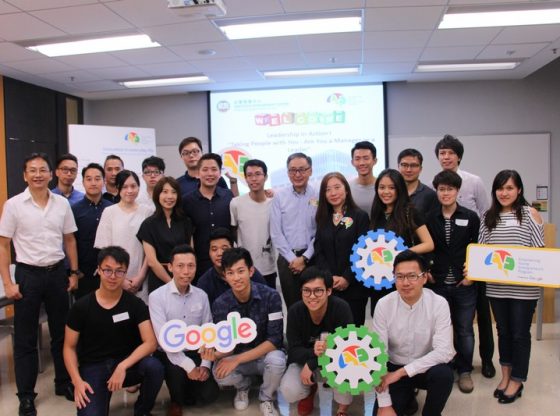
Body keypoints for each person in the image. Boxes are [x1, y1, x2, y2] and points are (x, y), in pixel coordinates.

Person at [0, 152, 79, 415]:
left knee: (61, 334)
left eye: (42, 170)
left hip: (57, 273)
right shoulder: (13, 205)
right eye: (32, 170)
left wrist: (74, 272)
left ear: (50, 174)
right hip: (28, 275)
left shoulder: (61, 204)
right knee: (25, 339)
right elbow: (3, 245)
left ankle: (63, 382)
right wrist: (8, 283)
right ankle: (26, 396)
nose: (37, 174)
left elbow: (69, 239)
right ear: (25, 175)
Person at [63, 246, 164, 416]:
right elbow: (69, 347)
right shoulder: (81, 307)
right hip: (94, 367)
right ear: (98, 270)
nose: (113, 276)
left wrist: (123, 366)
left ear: (125, 273)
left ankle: (142, 411)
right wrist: (77, 381)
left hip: (128, 364)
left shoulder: (135, 304)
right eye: (107, 270)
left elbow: (150, 343)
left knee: (154, 367)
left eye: (119, 271)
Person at [478, 170, 544, 404]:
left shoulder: (530, 213)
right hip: (497, 288)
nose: (504, 193)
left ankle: (518, 379)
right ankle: (505, 376)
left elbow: (538, 249)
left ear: (519, 190)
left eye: (509, 188)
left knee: (519, 334)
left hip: (523, 289)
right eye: (500, 188)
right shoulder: (488, 216)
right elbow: (482, 251)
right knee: (503, 332)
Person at [435, 134, 495, 378]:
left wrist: (477, 268)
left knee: (473, 321)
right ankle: (449, 365)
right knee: (447, 325)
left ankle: (482, 363)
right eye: (442, 153)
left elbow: (486, 218)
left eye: (450, 152)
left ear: (459, 156)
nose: (446, 157)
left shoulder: (474, 181)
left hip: (471, 266)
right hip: (443, 273)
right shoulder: (435, 186)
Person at [372, 250, 454, 416]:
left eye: (412, 276)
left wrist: (402, 372)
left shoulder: (439, 304)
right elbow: (378, 354)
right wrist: (384, 404)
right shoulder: (383, 305)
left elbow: (445, 351)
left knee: (444, 375)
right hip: (393, 367)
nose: (406, 282)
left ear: (424, 278)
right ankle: (407, 398)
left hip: (425, 367)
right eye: (400, 276)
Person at [209, 248, 286, 416]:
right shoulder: (220, 304)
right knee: (218, 372)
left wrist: (236, 359)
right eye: (230, 273)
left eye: (241, 271)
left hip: (265, 354)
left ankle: (266, 397)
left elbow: (275, 341)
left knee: (278, 361)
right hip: (240, 360)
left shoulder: (271, 296)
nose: (236, 278)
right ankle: (244, 386)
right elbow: (226, 345)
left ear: (251, 271)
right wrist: (214, 355)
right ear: (225, 276)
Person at [425, 170, 480, 394]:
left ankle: (465, 370)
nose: (445, 193)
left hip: (463, 285)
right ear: (436, 191)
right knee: (439, 330)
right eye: (441, 189)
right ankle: (444, 367)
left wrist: (470, 276)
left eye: (450, 189)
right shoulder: (429, 217)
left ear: (458, 191)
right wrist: (425, 270)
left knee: (465, 329)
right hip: (436, 284)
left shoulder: (471, 216)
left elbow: (477, 248)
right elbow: (422, 246)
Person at [149, 244, 219, 416]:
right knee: (176, 372)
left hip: (196, 350)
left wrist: (204, 365)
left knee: (210, 395)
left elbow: (208, 331)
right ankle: (176, 401)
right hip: (169, 352)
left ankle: (188, 392)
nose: (186, 271)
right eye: (180, 266)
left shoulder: (201, 295)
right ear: (170, 267)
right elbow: (163, 340)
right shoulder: (156, 297)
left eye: (191, 266)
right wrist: (190, 367)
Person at [279, 266, 354, 416]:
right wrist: (313, 354)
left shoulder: (341, 308)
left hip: (336, 361)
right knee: (289, 390)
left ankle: (342, 408)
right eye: (306, 290)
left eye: (318, 290)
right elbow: (293, 351)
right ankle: (309, 390)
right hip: (304, 360)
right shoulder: (295, 311)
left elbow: (347, 347)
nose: (312, 296)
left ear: (329, 291)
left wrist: (313, 363)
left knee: (349, 374)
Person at [369, 169, 434, 314]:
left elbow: (429, 243)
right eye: (382, 187)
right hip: (380, 279)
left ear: (400, 189)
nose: (386, 192)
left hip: (403, 279)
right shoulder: (376, 213)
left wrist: (402, 253)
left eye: (391, 188)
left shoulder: (410, 212)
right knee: (381, 321)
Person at [314, 172, 370, 325]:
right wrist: (329, 277)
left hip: (354, 287)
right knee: (331, 334)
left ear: (346, 190)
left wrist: (346, 277)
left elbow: (363, 252)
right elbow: (319, 251)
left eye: (337, 187)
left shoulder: (360, 216)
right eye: (328, 189)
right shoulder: (322, 218)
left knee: (353, 333)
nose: (333, 193)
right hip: (329, 287)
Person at [94, 170, 151, 303]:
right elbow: (104, 250)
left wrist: (141, 277)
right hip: (114, 277)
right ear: (118, 188)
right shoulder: (109, 212)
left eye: (133, 186)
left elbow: (150, 251)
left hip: (141, 277)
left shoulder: (147, 212)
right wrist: (121, 279)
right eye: (125, 187)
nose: (129, 190)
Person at [270, 153, 318, 309]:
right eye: (293, 170)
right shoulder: (280, 197)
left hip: (313, 258)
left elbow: (321, 232)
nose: (298, 174)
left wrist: (304, 258)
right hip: (286, 260)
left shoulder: (319, 195)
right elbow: (276, 232)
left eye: (302, 170)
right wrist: (293, 259)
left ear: (310, 171)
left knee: (315, 304)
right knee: (293, 306)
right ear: (288, 172)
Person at [137, 177, 193, 293]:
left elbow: (191, 252)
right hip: (159, 280)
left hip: (184, 276)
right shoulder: (148, 224)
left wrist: (183, 279)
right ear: (157, 195)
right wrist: (172, 284)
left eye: (173, 192)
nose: (169, 196)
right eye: (165, 192)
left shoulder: (186, 222)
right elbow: (151, 261)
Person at [183, 153, 234, 278]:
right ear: (198, 173)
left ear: (220, 172)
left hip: (227, 263)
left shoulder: (228, 196)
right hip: (200, 264)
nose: (210, 174)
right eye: (205, 170)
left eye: (214, 169)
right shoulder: (186, 201)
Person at [230, 159, 276, 288]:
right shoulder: (236, 203)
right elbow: (233, 231)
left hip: (269, 267)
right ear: (245, 178)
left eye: (258, 174)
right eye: (249, 175)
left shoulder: (274, 203)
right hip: (244, 268)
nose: (253, 179)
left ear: (265, 177)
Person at [72, 163, 113, 299]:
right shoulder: (74, 210)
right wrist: (75, 271)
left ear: (104, 181)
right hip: (84, 273)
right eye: (89, 179)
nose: (93, 183)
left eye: (97, 179)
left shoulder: (112, 208)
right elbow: (71, 241)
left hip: (109, 271)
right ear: (83, 182)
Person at [197, 228, 266, 305]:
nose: (219, 253)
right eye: (214, 249)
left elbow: (266, 298)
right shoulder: (204, 282)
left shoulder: (249, 272)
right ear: (209, 252)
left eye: (224, 248)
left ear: (232, 248)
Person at [397, 148, 438, 214]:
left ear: (420, 169)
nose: (409, 170)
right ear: (398, 167)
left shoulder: (430, 195)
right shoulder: (391, 192)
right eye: (404, 165)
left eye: (413, 165)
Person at [349, 141, 377, 217]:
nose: (362, 163)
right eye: (357, 159)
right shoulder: (347, 188)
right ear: (352, 162)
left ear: (375, 161)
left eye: (366, 158)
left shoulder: (383, 187)